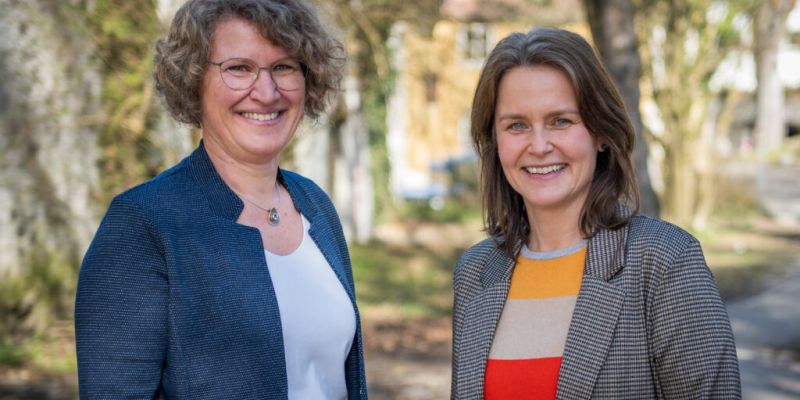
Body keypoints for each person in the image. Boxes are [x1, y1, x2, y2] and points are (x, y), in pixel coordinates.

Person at [74, 0, 367, 398]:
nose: (266, 92)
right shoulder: (142, 225)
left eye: (283, 67)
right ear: (193, 80)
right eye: (239, 68)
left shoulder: (314, 205)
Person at [451, 28, 740, 399]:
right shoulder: (474, 273)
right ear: (495, 140)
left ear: (601, 133)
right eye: (516, 125)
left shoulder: (664, 262)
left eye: (560, 121)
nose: (538, 145)